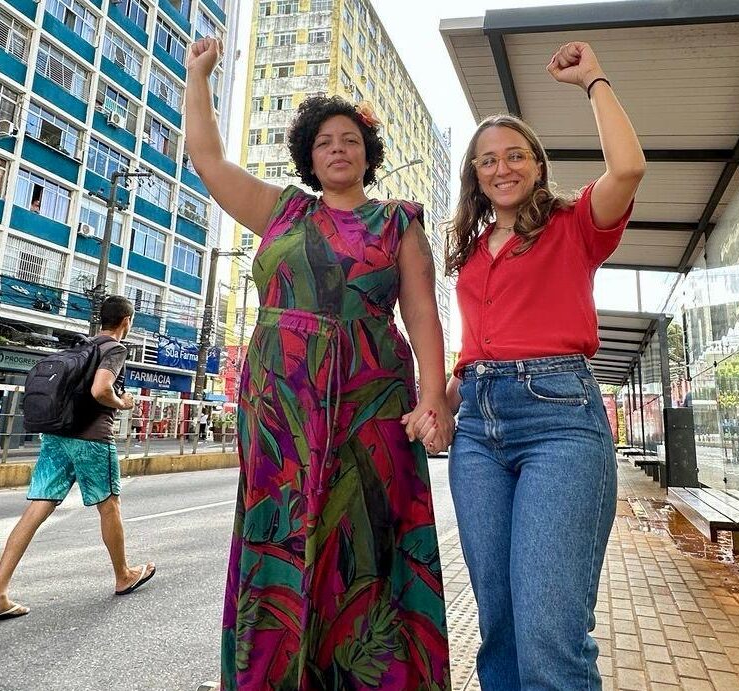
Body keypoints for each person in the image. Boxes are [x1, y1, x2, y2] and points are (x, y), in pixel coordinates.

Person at [184, 37, 452, 689]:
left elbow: (421, 315)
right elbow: (207, 158)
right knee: (279, 530)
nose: (338, 148)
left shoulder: (397, 222)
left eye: (350, 140)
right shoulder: (281, 210)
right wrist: (198, 75)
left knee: (364, 532)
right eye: (325, 141)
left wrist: (432, 398)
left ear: (368, 154)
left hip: (371, 403)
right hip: (279, 406)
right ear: (308, 154)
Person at [426, 41, 644, 690]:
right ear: (474, 176)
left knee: (550, 632)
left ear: (537, 164)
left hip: (559, 422)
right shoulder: (469, 252)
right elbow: (476, 350)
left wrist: (593, 79)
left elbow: (629, 167)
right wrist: (440, 403)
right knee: (500, 628)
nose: (502, 167)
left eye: (515, 154)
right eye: (488, 159)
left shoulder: (574, 223)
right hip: (477, 432)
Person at [0, 295, 154, 624]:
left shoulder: (82, 346)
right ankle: (124, 575)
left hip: (57, 438)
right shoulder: (114, 349)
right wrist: (122, 403)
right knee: (109, 506)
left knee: (35, 511)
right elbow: (101, 390)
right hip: (92, 440)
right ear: (127, 321)